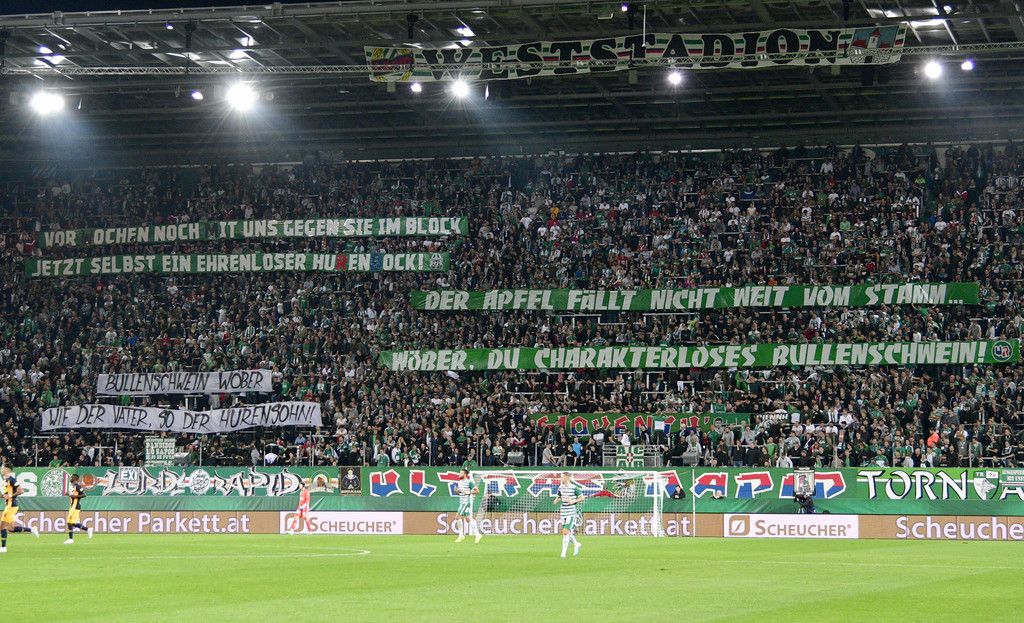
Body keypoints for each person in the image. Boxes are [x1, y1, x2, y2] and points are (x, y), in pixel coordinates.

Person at [1, 466, 39, 553]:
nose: (1, 470)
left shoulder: (12, 480)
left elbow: (21, 491)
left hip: (11, 506)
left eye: (2, 468)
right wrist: (4, 496)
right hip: (8, 505)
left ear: (7, 469)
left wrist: (10, 496)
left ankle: (3, 548)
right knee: (11, 528)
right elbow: (7, 494)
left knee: (3, 526)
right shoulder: (6, 480)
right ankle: (31, 529)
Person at [557, 472, 584, 558]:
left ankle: (563, 554)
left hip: (571, 512)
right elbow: (559, 496)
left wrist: (573, 501)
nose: (561, 479)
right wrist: (556, 500)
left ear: (567, 478)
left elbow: (582, 498)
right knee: (566, 532)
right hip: (563, 511)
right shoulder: (560, 487)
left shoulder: (574, 488)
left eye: (562, 477)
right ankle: (576, 544)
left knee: (565, 532)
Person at [454, 468, 481, 543]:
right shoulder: (459, 482)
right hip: (461, 502)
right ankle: (477, 534)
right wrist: (456, 491)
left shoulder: (469, 482)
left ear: (465, 474)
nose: (459, 474)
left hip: (466, 502)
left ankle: (461, 535)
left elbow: (477, 491)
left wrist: (468, 493)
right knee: (468, 519)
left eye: (461, 473)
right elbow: (460, 493)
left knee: (457, 517)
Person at [64, 474, 93, 544]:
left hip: (75, 506)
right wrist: (68, 494)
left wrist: (74, 496)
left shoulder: (78, 486)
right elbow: (71, 494)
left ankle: (71, 539)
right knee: (72, 523)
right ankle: (87, 529)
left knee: (69, 522)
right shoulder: (72, 486)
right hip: (72, 506)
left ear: (75, 479)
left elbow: (84, 495)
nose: (70, 478)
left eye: (72, 477)